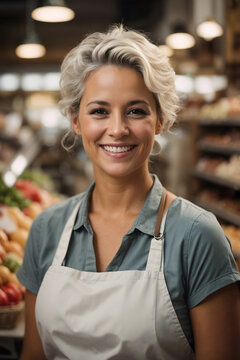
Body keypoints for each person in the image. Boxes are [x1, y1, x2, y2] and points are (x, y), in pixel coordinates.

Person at [17, 25, 240, 360]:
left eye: (136, 110)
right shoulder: (46, 229)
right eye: (99, 111)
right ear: (75, 120)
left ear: (160, 120)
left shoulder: (197, 237)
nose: (117, 129)